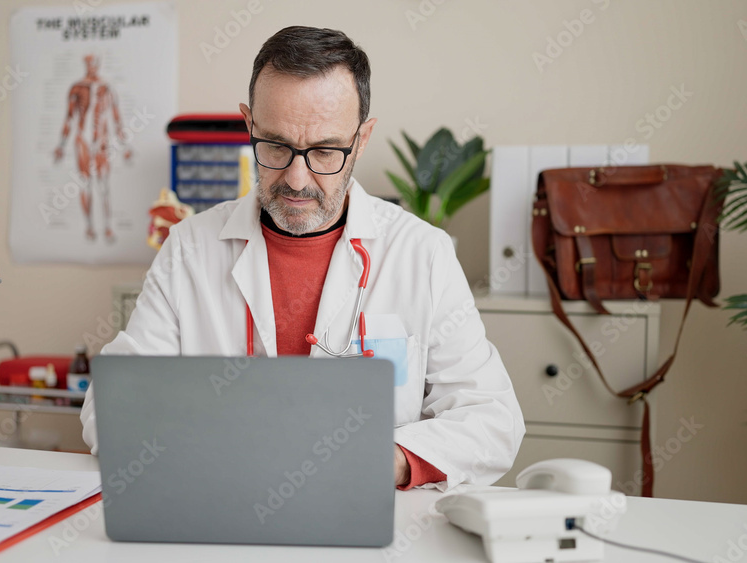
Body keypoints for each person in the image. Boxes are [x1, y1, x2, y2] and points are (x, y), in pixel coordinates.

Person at [80, 26, 524, 490]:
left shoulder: (422, 255)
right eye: (275, 145)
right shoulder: (190, 249)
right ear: (249, 125)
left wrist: (382, 460)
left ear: (363, 139)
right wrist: (213, 447)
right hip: (221, 505)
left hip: (365, 514)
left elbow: (492, 419)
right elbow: (110, 405)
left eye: (325, 151)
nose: (296, 178)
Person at [54, 53, 132, 243]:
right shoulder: (77, 88)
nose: (92, 66)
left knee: (103, 185)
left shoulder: (107, 88)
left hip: (102, 142)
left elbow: (116, 118)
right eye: (89, 63)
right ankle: (89, 226)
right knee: (85, 184)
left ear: (98, 64)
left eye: (94, 63)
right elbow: (69, 118)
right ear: (85, 64)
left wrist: (124, 146)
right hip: (83, 141)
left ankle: (107, 227)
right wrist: (61, 145)